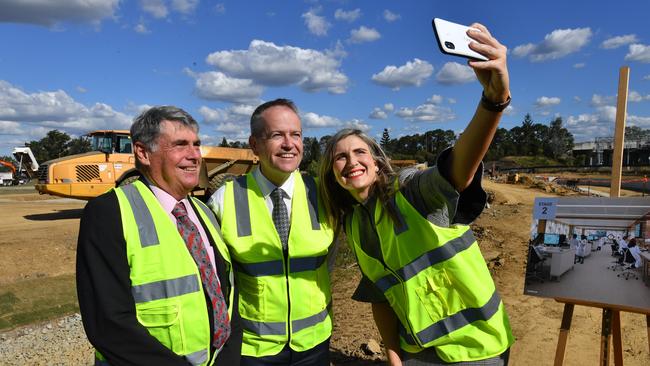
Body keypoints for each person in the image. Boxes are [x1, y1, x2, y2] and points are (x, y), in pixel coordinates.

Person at [318, 22, 513, 365]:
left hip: (476, 347)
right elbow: (379, 293)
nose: (351, 162)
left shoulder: (409, 192)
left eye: (360, 153)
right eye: (340, 156)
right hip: (416, 352)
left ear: (378, 163)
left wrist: (493, 101)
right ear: (332, 173)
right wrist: (394, 354)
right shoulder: (356, 223)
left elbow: (457, 168)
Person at [77, 106, 242, 365]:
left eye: (196, 144)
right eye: (180, 145)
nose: (194, 156)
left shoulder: (204, 212)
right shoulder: (108, 213)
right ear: (143, 152)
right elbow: (108, 323)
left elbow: (227, 293)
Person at [208, 99, 335, 365]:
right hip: (253, 350)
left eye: (296, 135)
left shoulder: (324, 195)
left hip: (314, 345)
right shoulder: (224, 200)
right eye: (277, 135)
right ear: (254, 145)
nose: (289, 144)